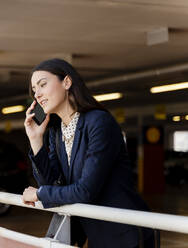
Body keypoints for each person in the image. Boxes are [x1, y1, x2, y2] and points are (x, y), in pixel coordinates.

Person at [22, 58, 158, 247]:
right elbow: (52, 183)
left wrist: (40, 194)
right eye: (34, 90)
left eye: (42, 85)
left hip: (124, 235)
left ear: (67, 82)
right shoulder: (57, 132)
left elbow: (85, 190)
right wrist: (36, 140)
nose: (37, 95)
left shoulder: (99, 122)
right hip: (94, 234)